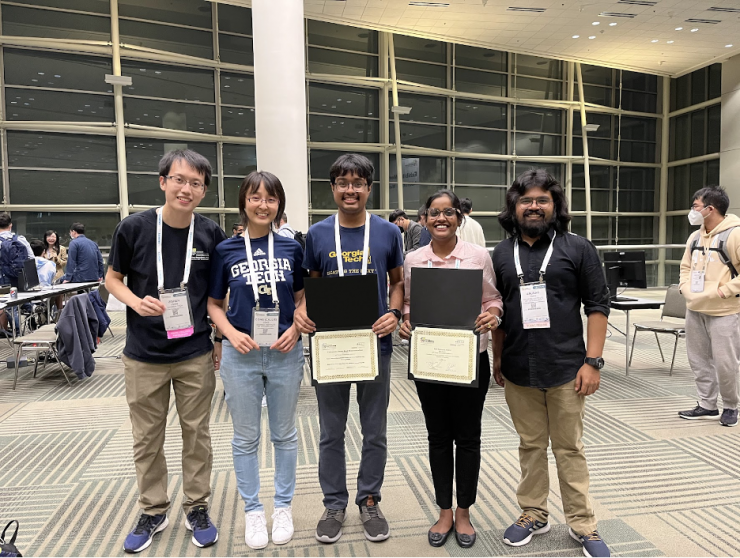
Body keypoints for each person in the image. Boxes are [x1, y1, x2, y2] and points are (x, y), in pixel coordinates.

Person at [106, 149, 226, 553]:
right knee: (147, 438)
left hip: (193, 352)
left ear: (203, 190)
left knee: (197, 435)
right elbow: (112, 278)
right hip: (143, 354)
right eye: (179, 179)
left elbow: (216, 296)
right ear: (163, 182)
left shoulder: (210, 234)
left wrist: (219, 341)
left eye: (195, 183)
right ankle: (154, 509)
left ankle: (197, 506)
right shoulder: (134, 228)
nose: (186, 188)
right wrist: (135, 302)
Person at [491, 169, 611, 558]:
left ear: (555, 205)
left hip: (566, 367)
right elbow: (499, 310)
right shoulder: (501, 252)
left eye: (543, 199)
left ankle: (583, 524)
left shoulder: (578, 247)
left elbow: (597, 305)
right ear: (514, 206)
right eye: (526, 200)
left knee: (569, 447)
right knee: (529, 445)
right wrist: (497, 359)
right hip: (519, 366)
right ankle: (533, 512)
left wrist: (592, 361)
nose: (534, 206)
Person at [294, 153, 403, 544]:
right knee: (330, 432)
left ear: (369, 189)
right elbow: (310, 286)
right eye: (343, 182)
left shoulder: (389, 234)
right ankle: (335, 503)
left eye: (358, 183)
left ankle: (369, 498)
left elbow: (397, 282)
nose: (351, 189)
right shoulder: (317, 234)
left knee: (374, 431)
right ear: (333, 189)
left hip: (376, 344)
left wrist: (394, 310)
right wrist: (302, 311)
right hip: (331, 346)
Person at [399, 189, 503, 549]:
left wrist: (492, 315)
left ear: (460, 217)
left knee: (468, 438)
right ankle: (444, 510)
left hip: (470, 359)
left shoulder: (477, 257)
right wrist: (406, 322)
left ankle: (464, 512)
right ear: (424, 219)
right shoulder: (413, 260)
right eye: (433, 213)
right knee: (438, 437)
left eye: (448, 212)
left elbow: (493, 298)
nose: (441, 218)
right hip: (429, 361)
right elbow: (409, 303)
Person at [207, 171, 305, 549]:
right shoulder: (226, 250)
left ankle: (282, 506)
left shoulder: (291, 247)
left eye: (270, 198)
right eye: (255, 197)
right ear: (243, 202)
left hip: (284, 351)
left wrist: (296, 328)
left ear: (279, 204)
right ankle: (252, 510)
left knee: (284, 434)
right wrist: (229, 334)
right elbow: (214, 304)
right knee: (245, 437)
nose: (263, 205)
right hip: (240, 353)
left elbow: (301, 298)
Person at [678, 185, 740, 427]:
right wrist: (685, 288)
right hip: (695, 309)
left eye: (695, 206)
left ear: (710, 209)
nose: (692, 211)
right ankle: (707, 404)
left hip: (724, 310)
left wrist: (724, 291)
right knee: (699, 360)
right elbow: (685, 267)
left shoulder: (735, 234)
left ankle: (731, 406)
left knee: (726, 363)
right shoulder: (694, 237)